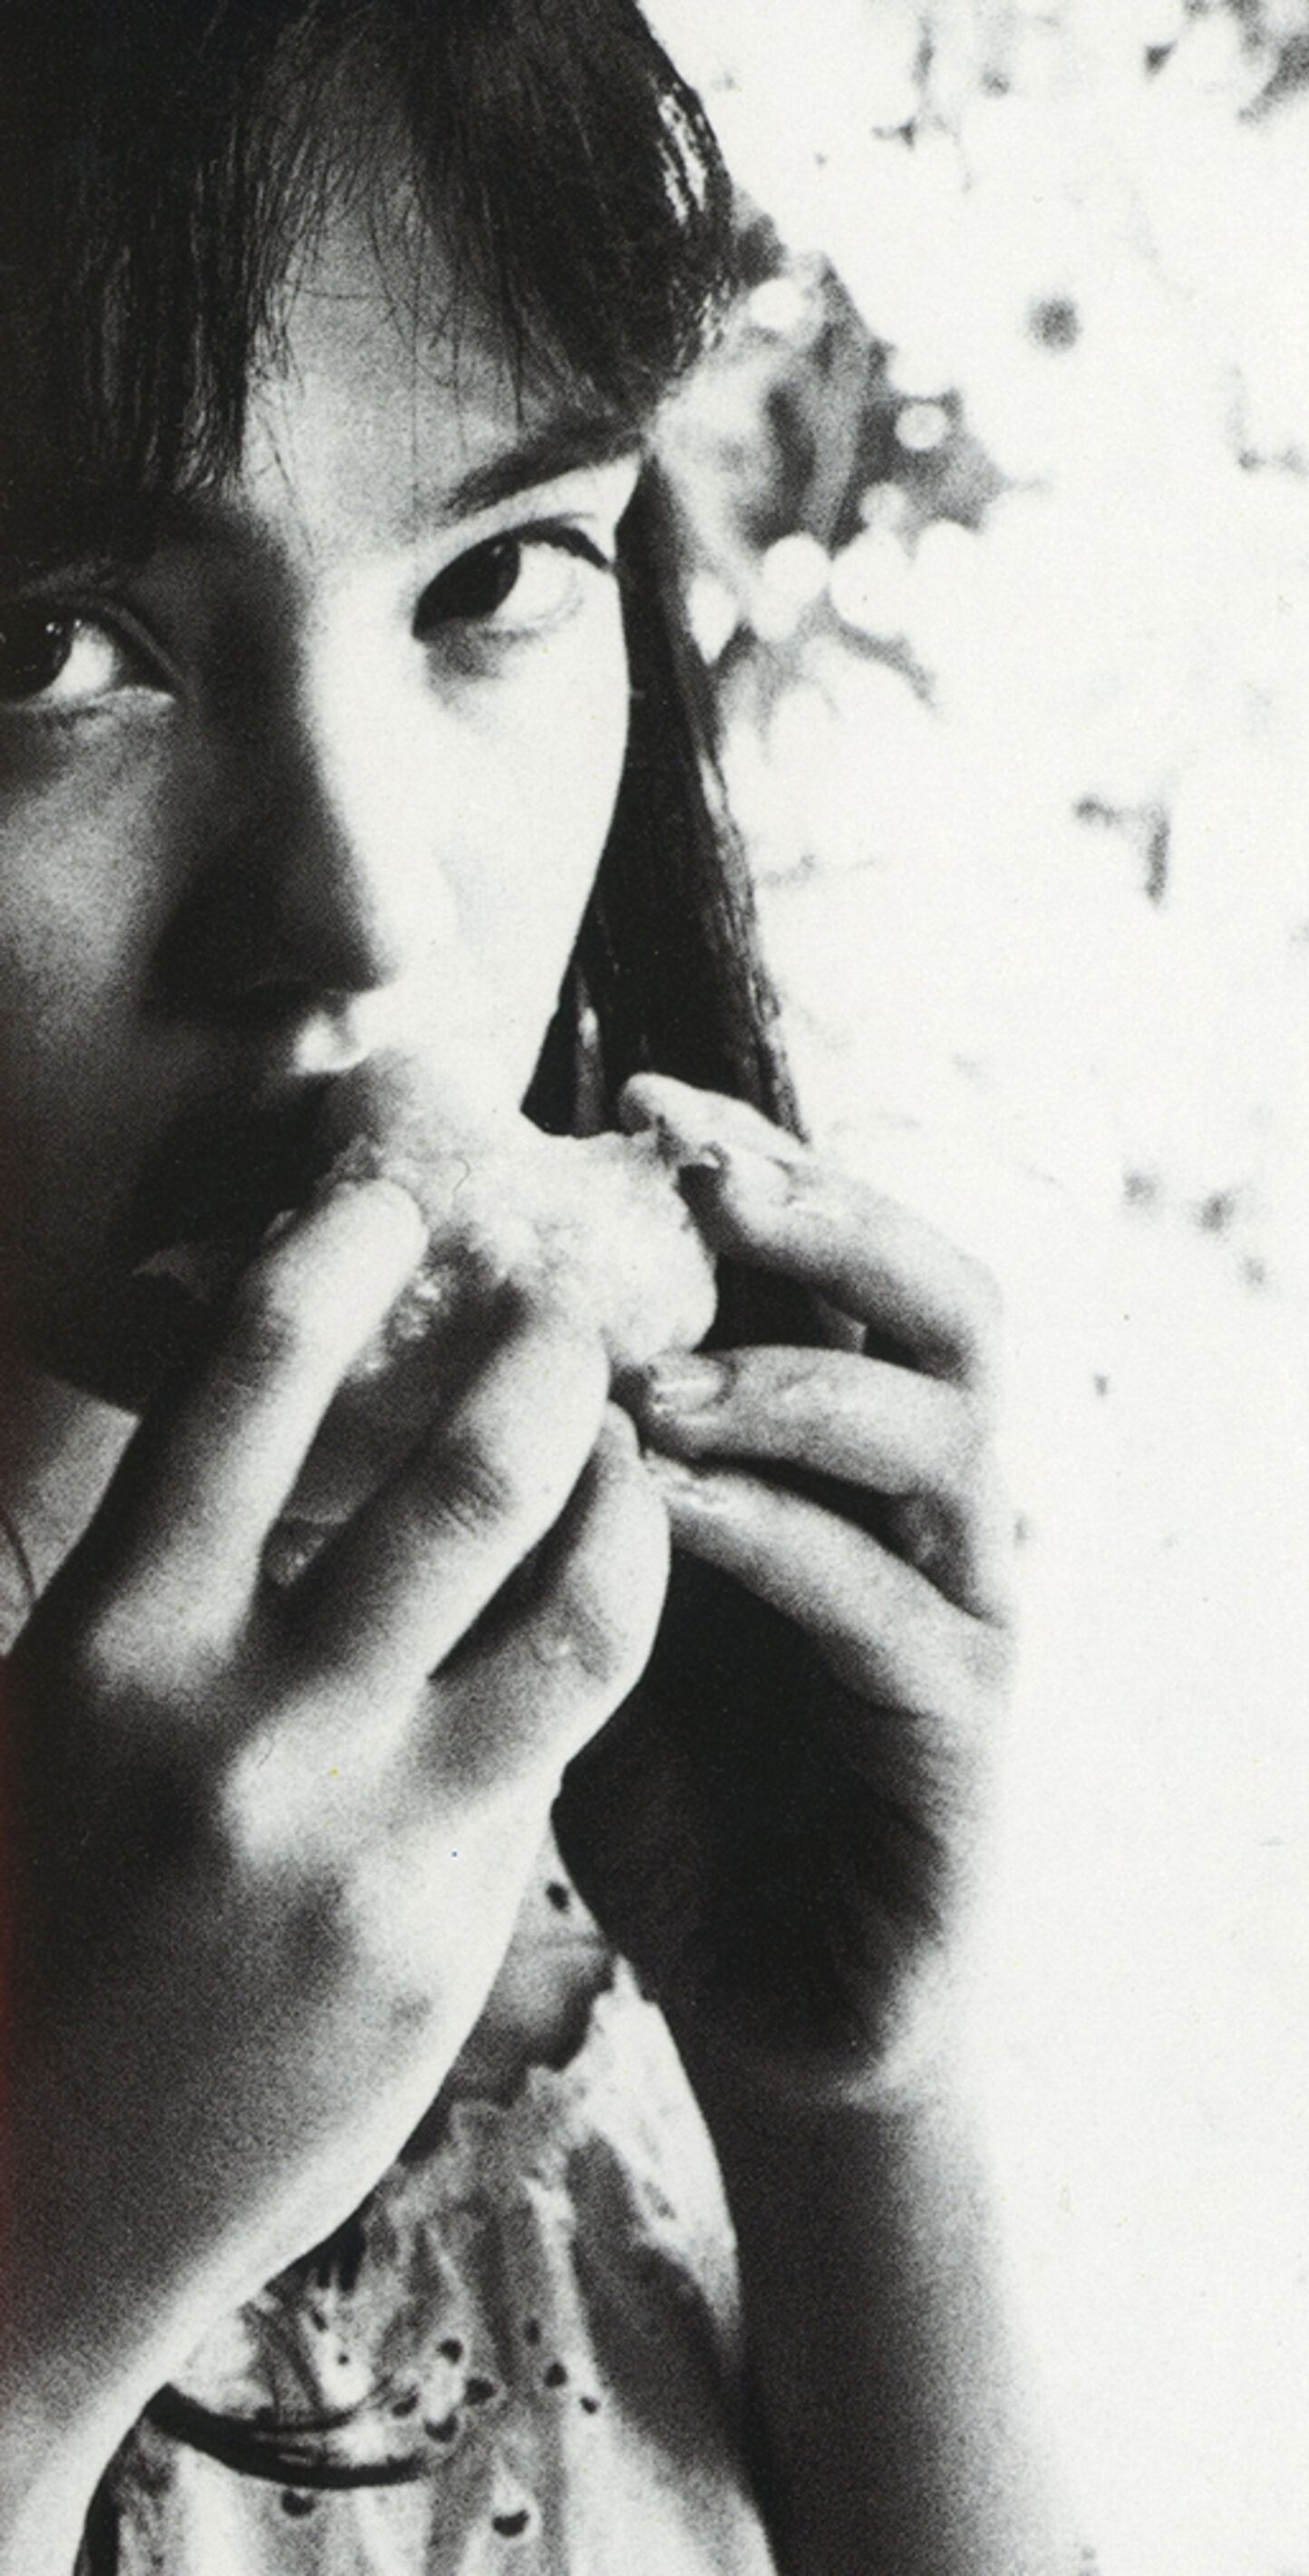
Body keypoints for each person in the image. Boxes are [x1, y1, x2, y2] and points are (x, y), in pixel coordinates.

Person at [0, 2, 1077, 2570]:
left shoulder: (549, 1712)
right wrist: (38, 2293)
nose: (370, 907)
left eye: (492, 577)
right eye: (48, 655)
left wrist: (851, 2105)